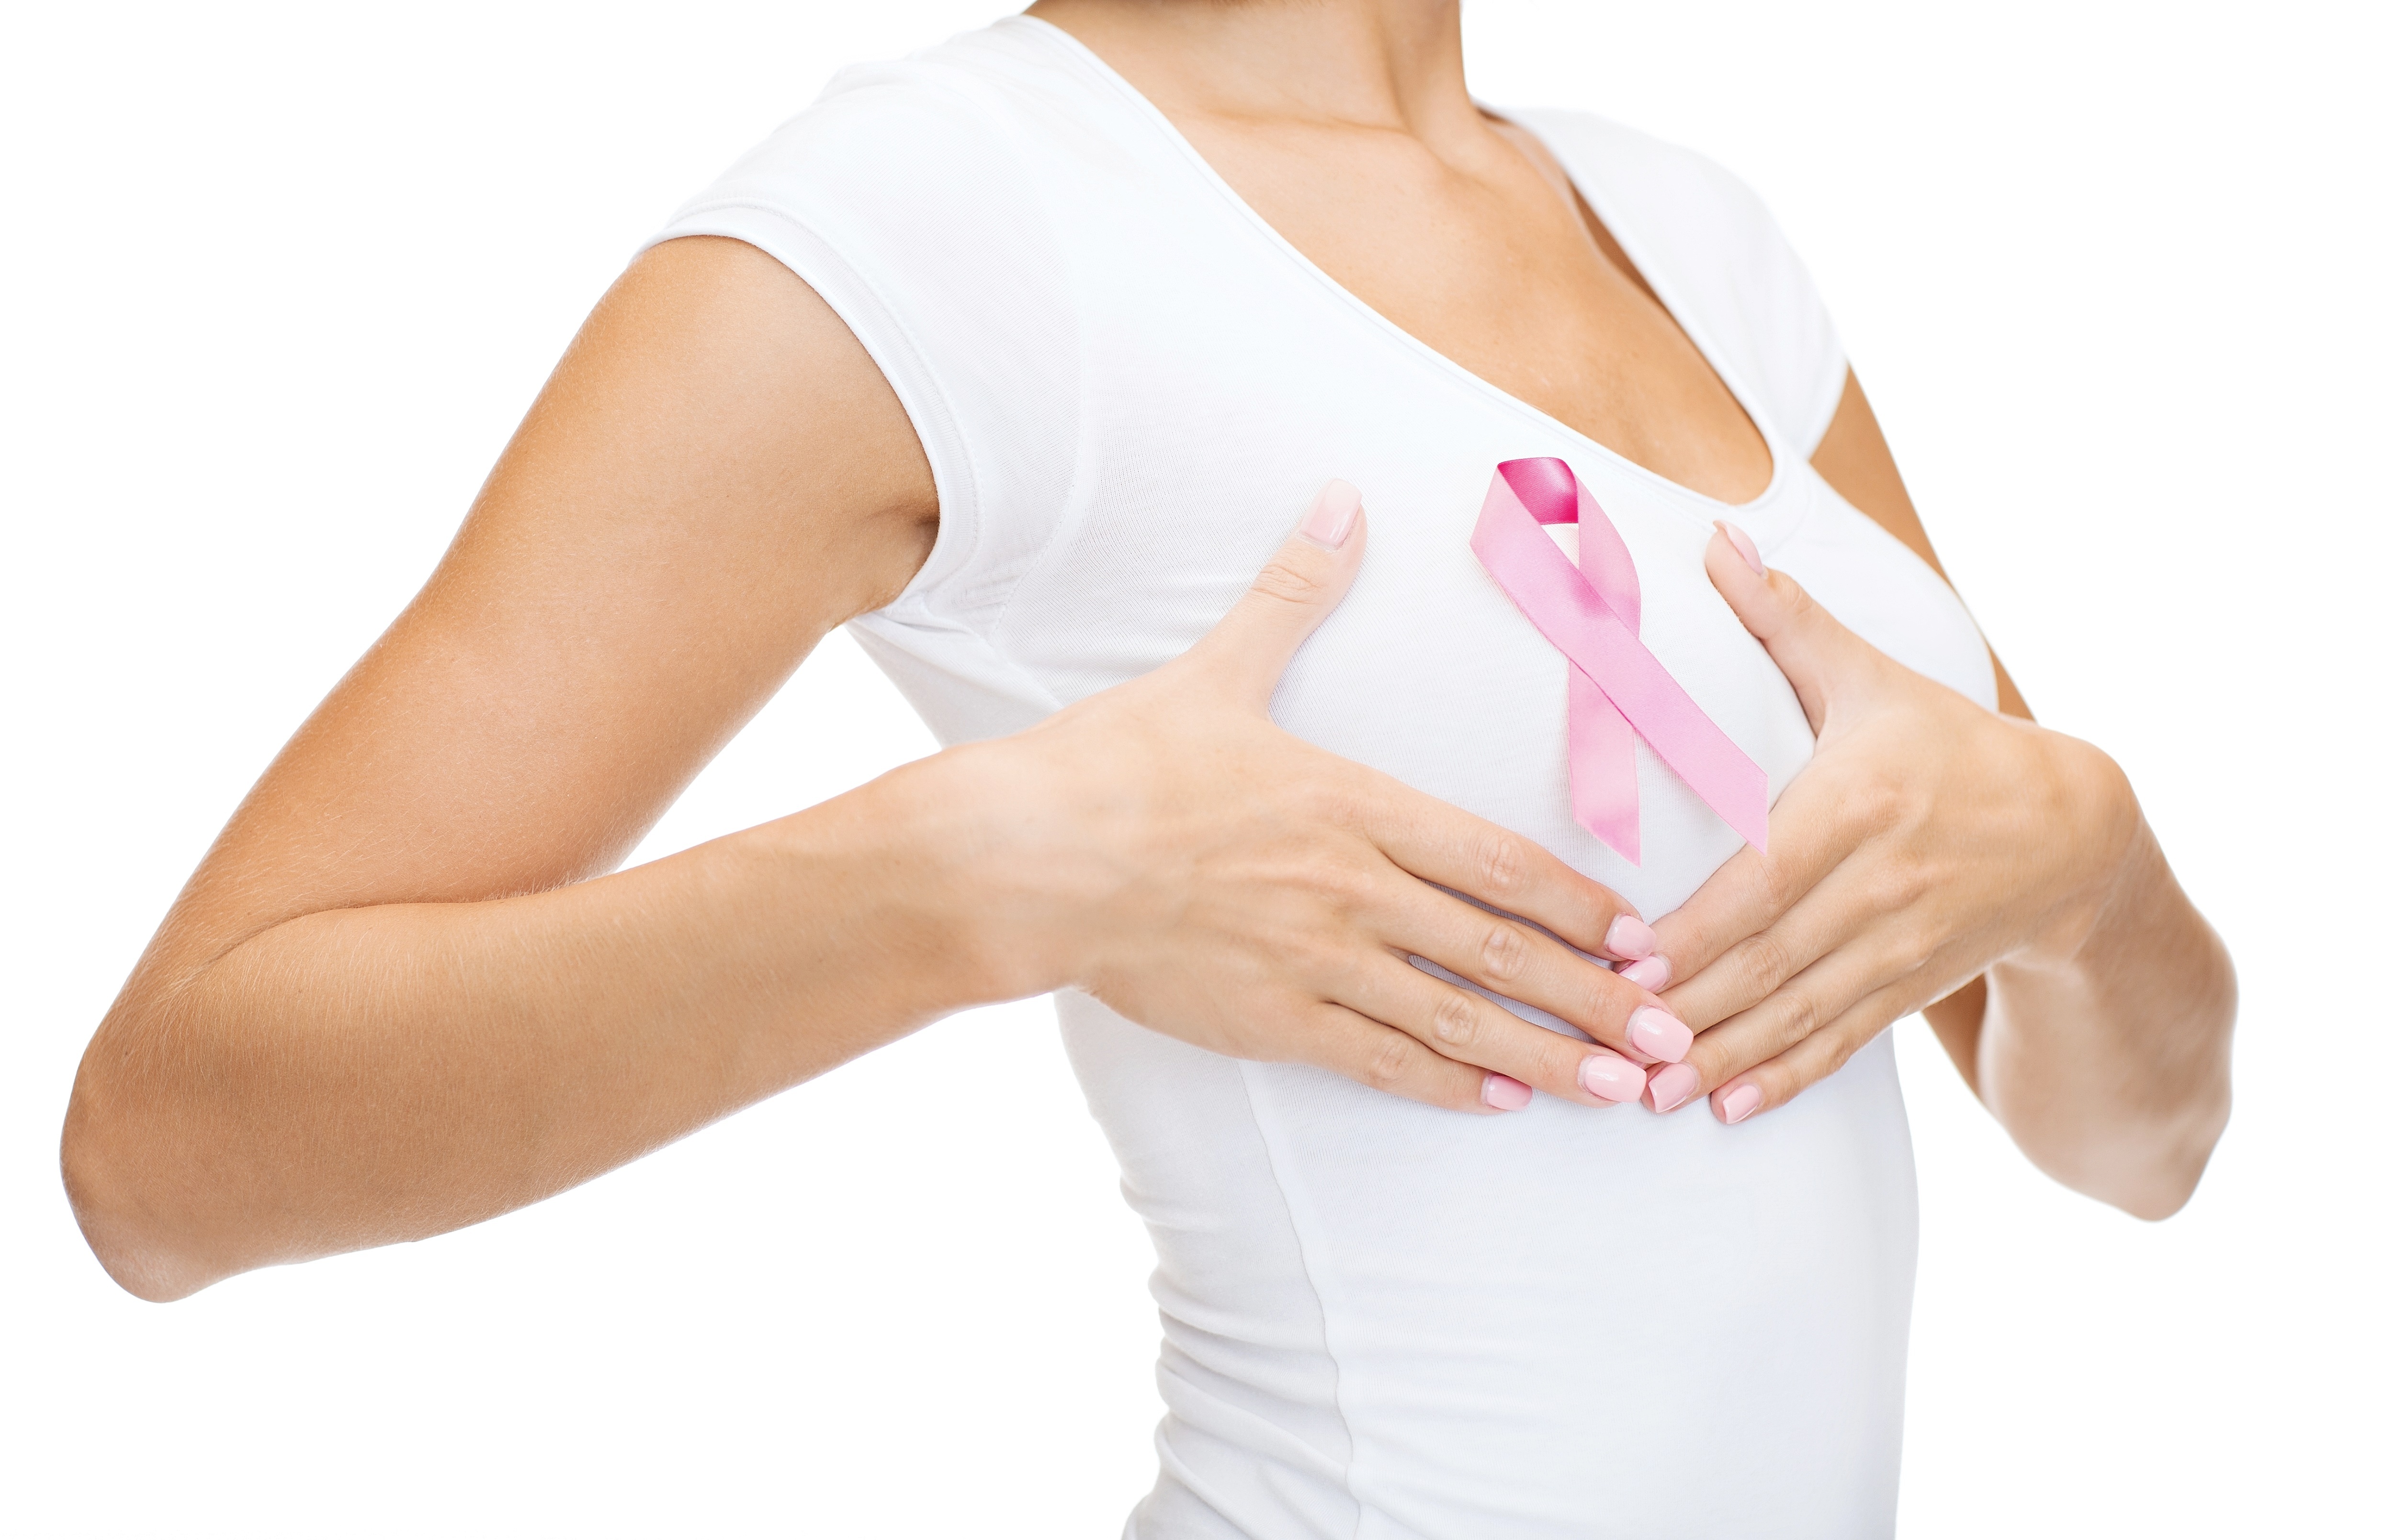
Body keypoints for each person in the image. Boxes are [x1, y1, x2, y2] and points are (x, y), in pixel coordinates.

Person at [61, 2, 2235, 1534]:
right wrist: (983, 875)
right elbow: (164, 1152)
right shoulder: (938, 215)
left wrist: (2091, 861)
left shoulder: (1700, 238)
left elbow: (2138, 1144)